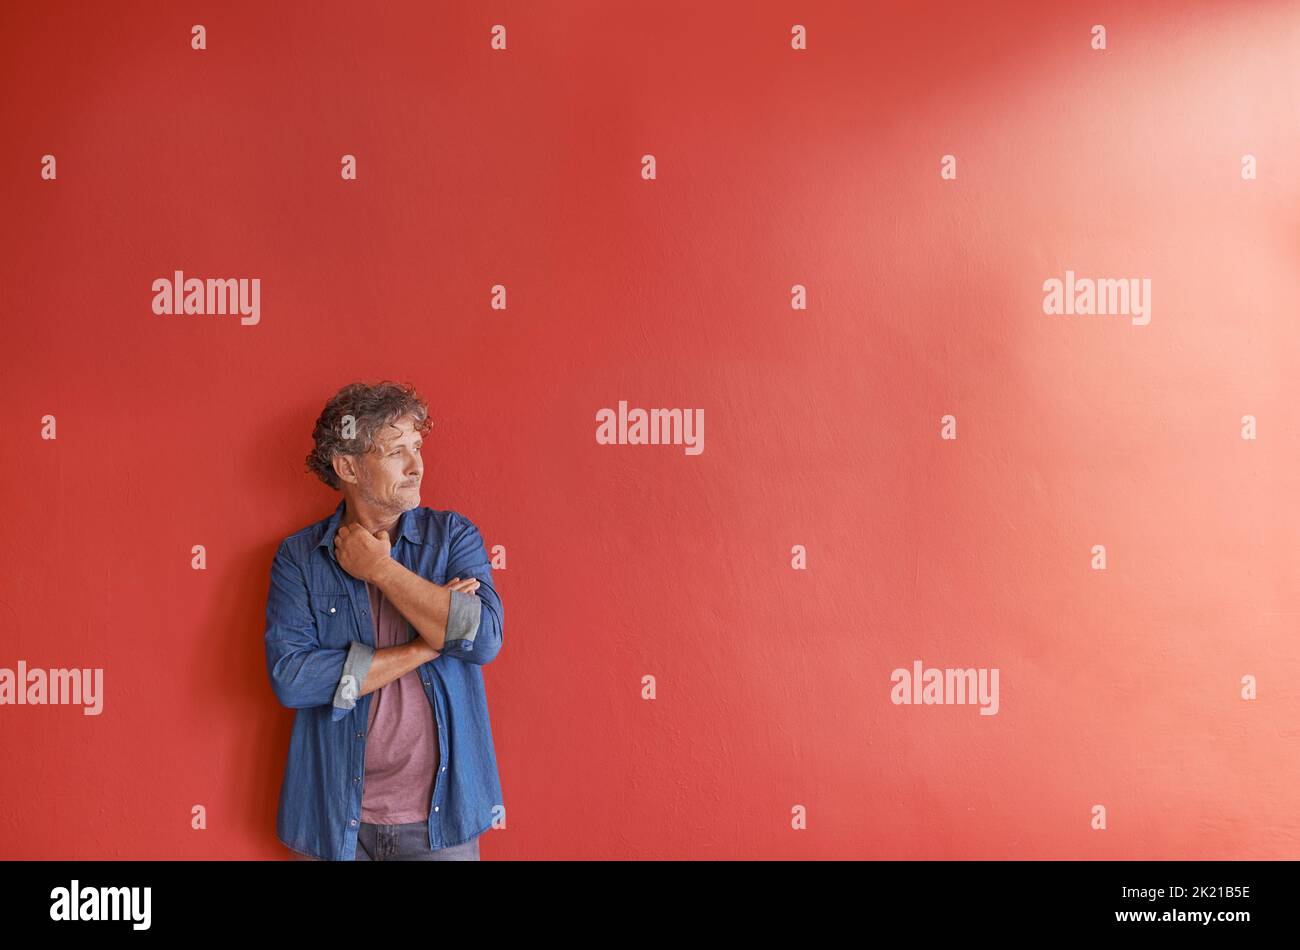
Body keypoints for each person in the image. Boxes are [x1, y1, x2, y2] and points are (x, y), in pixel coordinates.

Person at [264, 380, 505, 860]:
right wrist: (425, 646)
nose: (417, 465)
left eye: (417, 448)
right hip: (335, 821)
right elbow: (294, 680)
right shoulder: (299, 558)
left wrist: (379, 569)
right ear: (348, 467)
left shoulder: (454, 537)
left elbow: (481, 640)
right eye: (397, 452)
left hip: (441, 821)